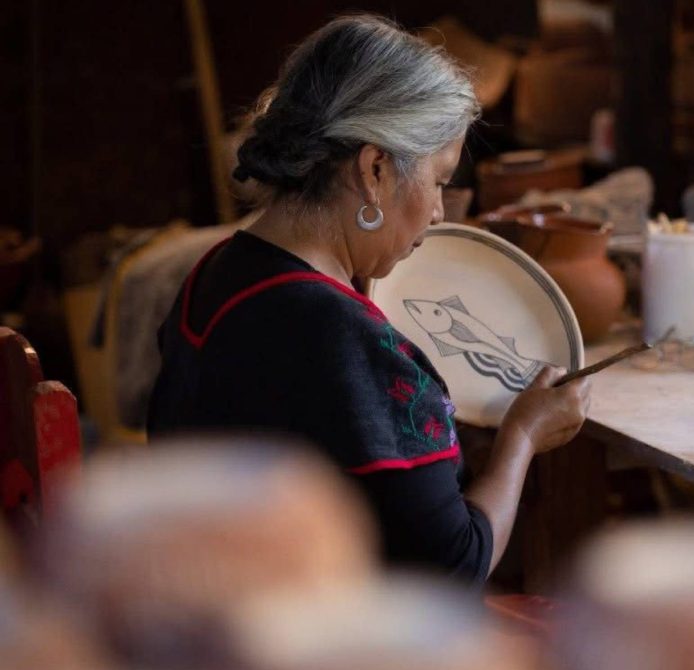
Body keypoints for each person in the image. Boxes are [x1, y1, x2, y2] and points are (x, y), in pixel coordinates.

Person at [148, 14, 591, 586]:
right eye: (438, 179)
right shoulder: (341, 335)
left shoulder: (214, 271)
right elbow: (455, 565)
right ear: (375, 169)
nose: (437, 211)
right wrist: (522, 437)